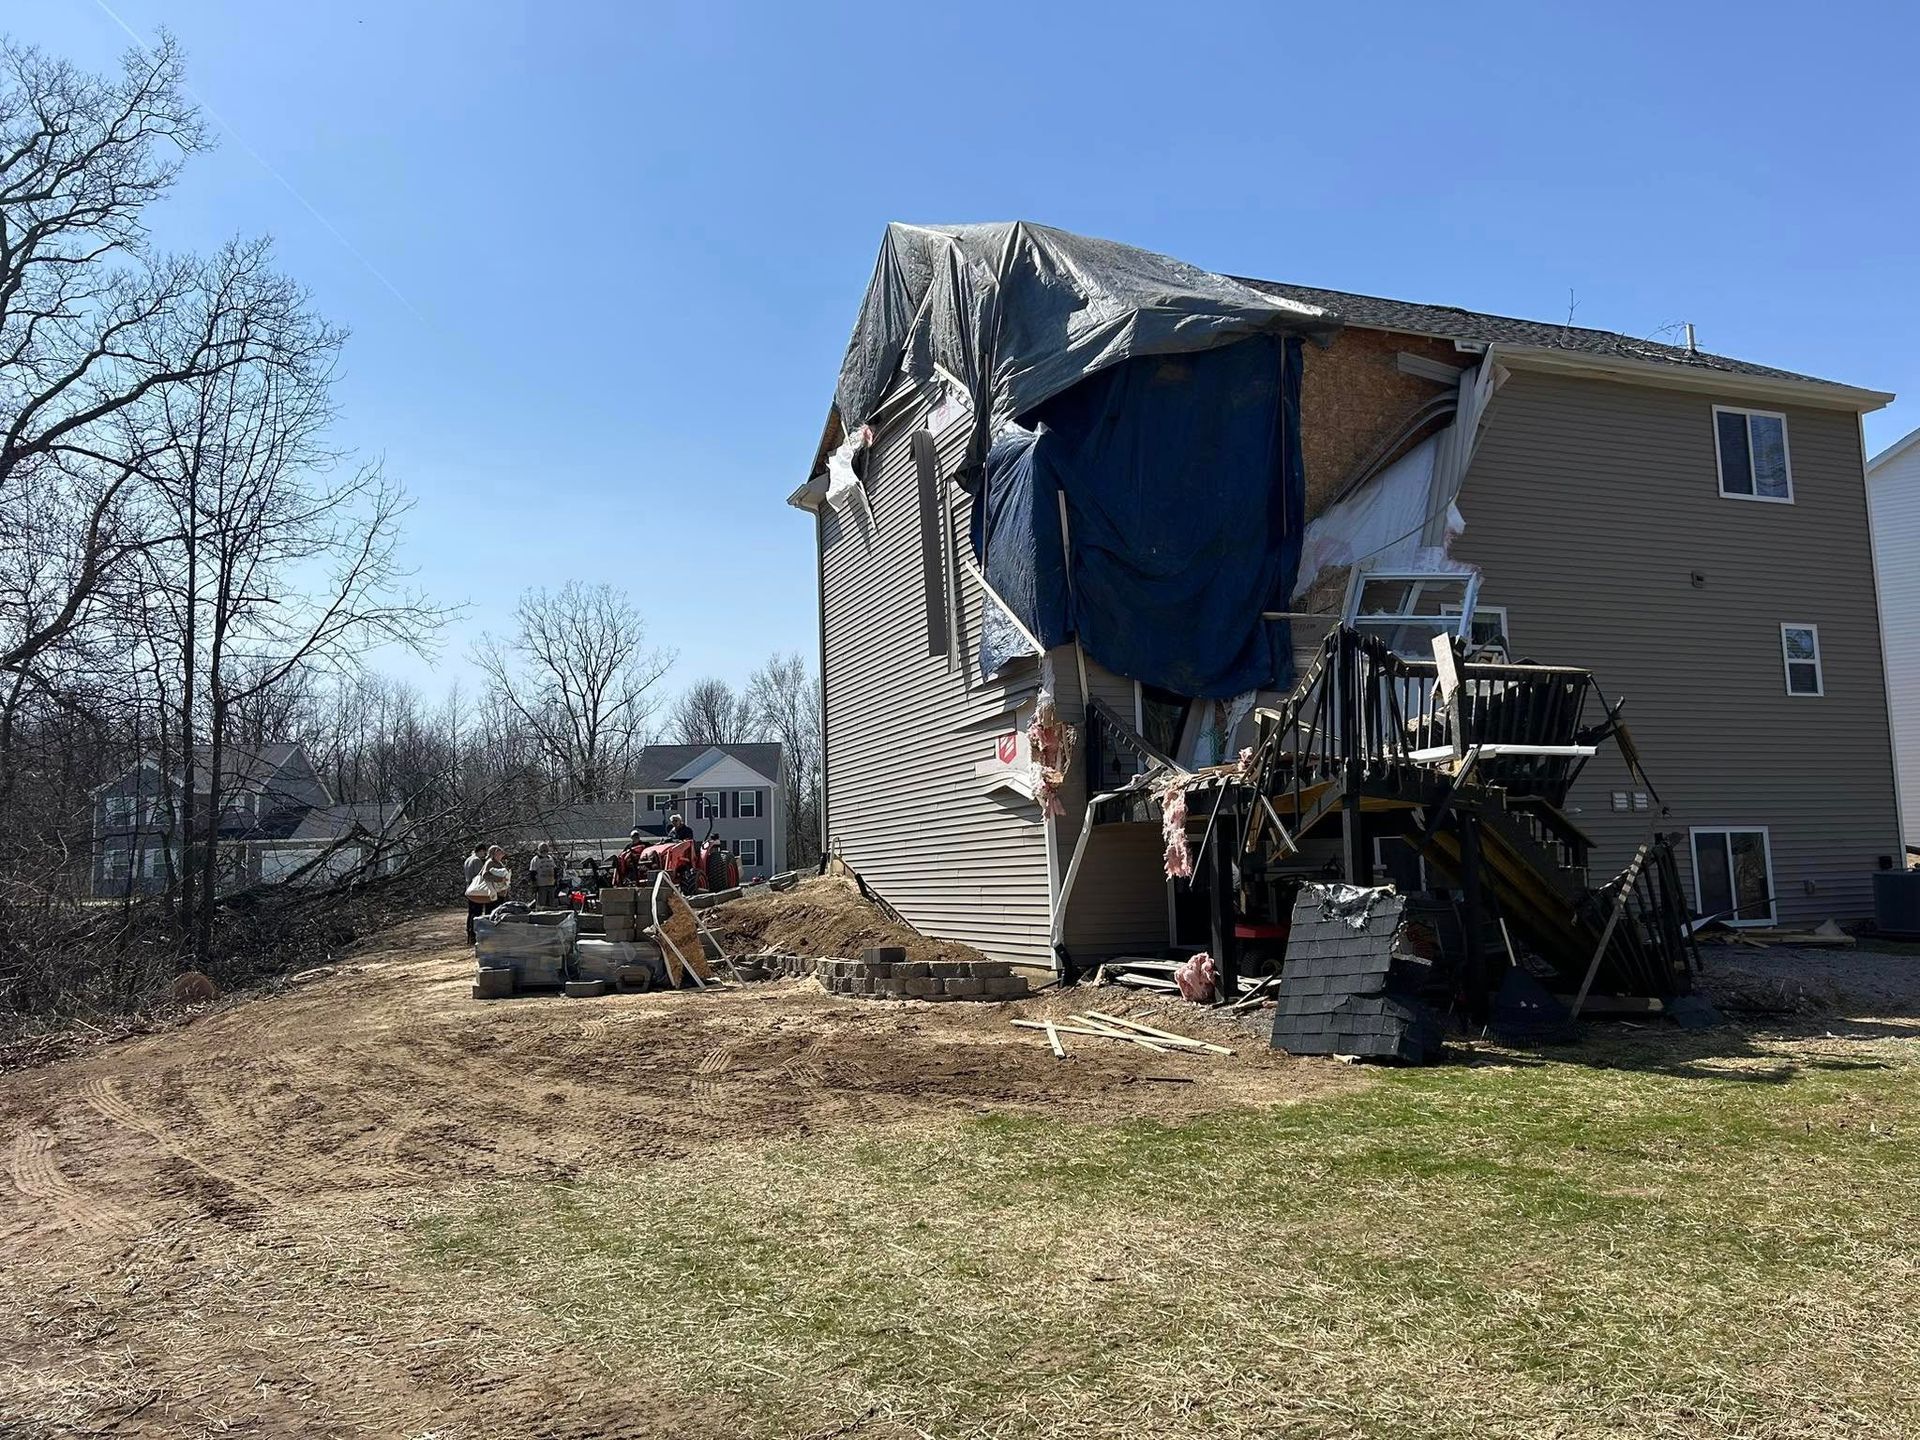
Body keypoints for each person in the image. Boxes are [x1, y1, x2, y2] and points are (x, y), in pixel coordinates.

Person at [466, 845, 511, 943]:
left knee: (493, 913)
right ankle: (484, 935)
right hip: (491, 893)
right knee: (489, 913)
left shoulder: (497, 862)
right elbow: (485, 875)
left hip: (497, 893)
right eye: (499, 853)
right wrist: (500, 879)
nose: (501, 855)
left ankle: (488, 935)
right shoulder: (490, 862)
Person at [463, 844, 486, 942]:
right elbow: (479, 876)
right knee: (477, 912)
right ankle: (474, 933)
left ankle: (469, 931)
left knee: (471, 912)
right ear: (480, 851)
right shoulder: (476, 860)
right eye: (484, 852)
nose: (484, 854)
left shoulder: (468, 859)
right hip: (475, 889)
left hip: (468, 887)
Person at [528, 841, 558, 906]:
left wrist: (555, 880)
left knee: (551, 903)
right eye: (543, 850)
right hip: (541, 885)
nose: (544, 851)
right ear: (539, 850)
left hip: (551, 884)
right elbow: (532, 872)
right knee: (542, 903)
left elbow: (555, 869)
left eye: (546, 849)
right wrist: (534, 884)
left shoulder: (550, 858)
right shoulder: (535, 859)